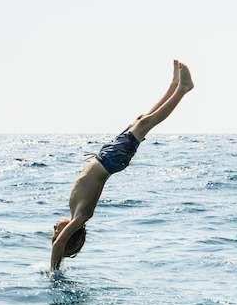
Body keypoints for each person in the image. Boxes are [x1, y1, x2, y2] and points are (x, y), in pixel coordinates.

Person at [50, 61, 194, 270]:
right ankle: (182, 89)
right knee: (145, 124)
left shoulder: (75, 211)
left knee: (141, 119)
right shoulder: (82, 215)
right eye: (57, 232)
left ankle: (173, 85)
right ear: (70, 234)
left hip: (105, 156)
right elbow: (59, 245)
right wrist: (54, 269)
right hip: (111, 160)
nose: (55, 228)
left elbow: (60, 242)